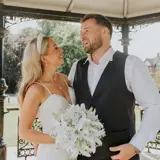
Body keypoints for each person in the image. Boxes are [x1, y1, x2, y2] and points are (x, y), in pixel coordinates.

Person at [68, 14, 160, 160]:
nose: (82, 36)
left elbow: (154, 106)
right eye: (81, 33)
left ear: (104, 32)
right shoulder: (76, 67)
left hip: (121, 156)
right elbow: (69, 108)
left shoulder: (131, 64)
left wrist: (135, 145)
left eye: (87, 30)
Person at [18, 34, 75, 160]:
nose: (61, 50)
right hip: (52, 153)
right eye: (56, 48)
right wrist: (62, 140)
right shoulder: (36, 89)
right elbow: (24, 132)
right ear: (44, 58)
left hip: (74, 151)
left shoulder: (64, 79)